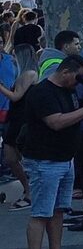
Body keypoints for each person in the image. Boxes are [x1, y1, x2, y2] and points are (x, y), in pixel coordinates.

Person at [15, 54, 83, 249]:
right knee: (41, 212)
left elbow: (72, 118)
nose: (80, 82)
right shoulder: (42, 92)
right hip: (45, 160)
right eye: (78, 77)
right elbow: (56, 122)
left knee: (58, 210)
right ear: (65, 72)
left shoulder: (69, 90)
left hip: (64, 159)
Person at [1, 44, 40, 210]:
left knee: (24, 157)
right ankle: (28, 188)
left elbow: (16, 96)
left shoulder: (29, 74)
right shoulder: (22, 74)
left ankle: (31, 192)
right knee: (10, 157)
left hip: (22, 118)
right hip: (15, 117)